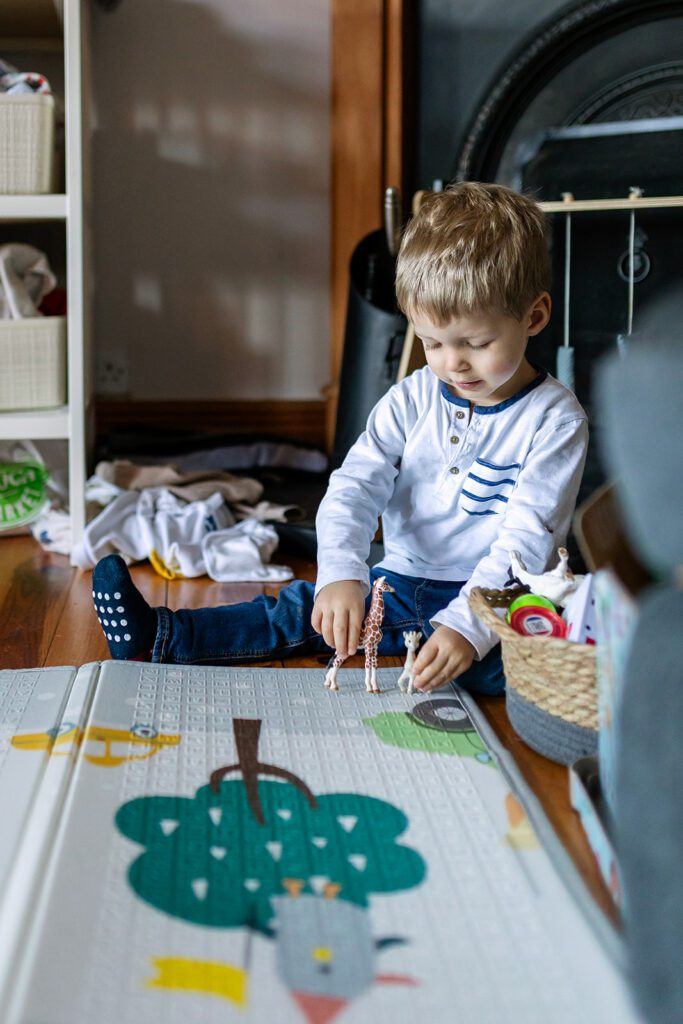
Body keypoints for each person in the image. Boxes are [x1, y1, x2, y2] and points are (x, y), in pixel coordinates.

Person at [92, 182, 588, 695]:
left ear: (534, 316)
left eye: (478, 344)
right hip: (399, 583)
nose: (453, 363)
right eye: (432, 342)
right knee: (300, 610)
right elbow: (355, 486)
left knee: (525, 659)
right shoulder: (413, 396)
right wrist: (341, 573)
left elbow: (526, 542)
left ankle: (452, 651)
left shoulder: (555, 421)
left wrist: (467, 626)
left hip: (498, 597)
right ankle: (160, 637)